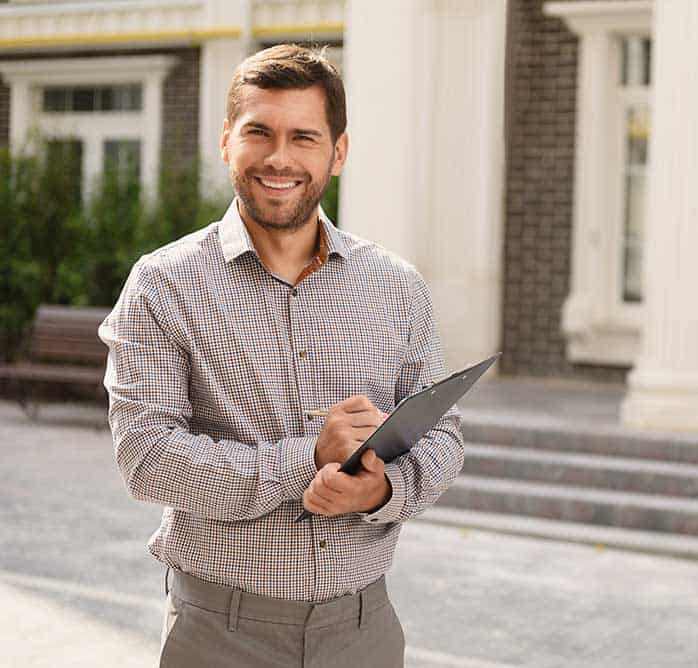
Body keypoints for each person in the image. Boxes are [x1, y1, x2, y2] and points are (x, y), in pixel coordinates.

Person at [98, 43, 463, 667]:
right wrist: (308, 460)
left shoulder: (396, 286)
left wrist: (379, 492)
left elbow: (444, 438)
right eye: (259, 132)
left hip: (362, 631)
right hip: (218, 633)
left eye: (304, 137)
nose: (279, 158)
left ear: (338, 153)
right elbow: (147, 460)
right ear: (226, 141)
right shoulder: (164, 283)